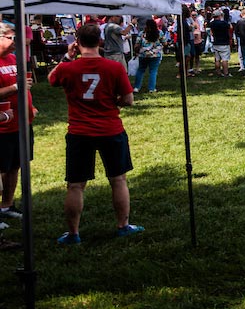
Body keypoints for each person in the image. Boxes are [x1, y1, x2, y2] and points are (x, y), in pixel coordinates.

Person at [47, 22, 143, 244]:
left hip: (79, 132)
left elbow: (52, 79)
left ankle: (73, 233)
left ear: (77, 43)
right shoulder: (114, 67)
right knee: (118, 179)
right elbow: (129, 100)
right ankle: (123, 225)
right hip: (110, 129)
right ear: (100, 42)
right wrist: (114, 101)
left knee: (75, 184)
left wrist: (67, 57)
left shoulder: (67, 68)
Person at [0, 22, 36, 228]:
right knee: (1, 169)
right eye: (13, 38)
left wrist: (32, 105)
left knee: (15, 165)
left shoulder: (14, 58)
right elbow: (16, 86)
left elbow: (25, 86)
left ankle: (7, 205)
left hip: (22, 122)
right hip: (3, 126)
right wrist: (15, 87)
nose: (18, 43)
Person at [132, 18, 164, 93]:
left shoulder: (142, 33)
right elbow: (164, 42)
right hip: (155, 55)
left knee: (140, 70)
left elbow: (137, 45)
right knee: (153, 71)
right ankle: (151, 88)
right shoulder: (159, 33)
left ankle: (136, 87)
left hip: (143, 55)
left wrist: (136, 51)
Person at [209, 9, 233, 77]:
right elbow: (230, 27)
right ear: (220, 15)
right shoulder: (224, 23)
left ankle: (218, 72)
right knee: (225, 59)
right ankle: (226, 73)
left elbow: (211, 32)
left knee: (217, 59)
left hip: (216, 42)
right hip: (224, 42)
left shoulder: (212, 23)